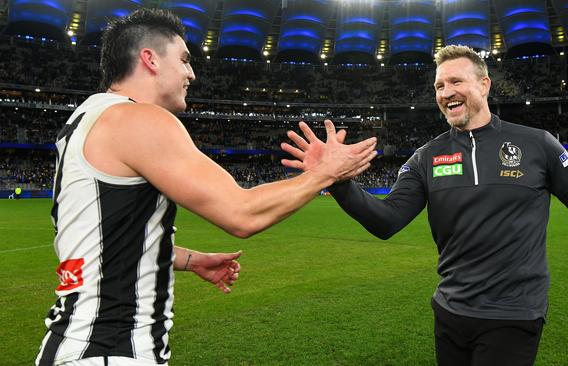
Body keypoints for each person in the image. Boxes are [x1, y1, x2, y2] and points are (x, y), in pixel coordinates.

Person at [36, 8, 377, 366]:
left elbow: (105, 237)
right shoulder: (137, 119)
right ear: (150, 59)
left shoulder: (85, 119)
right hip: (111, 350)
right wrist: (325, 173)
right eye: (184, 60)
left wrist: (189, 259)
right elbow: (242, 214)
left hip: (75, 344)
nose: (191, 73)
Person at [281, 45, 568, 366]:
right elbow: (386, 221)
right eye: (438, 86)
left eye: (455, 81)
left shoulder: (538, 145)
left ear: (484, 85)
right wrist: (337, 180)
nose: (446, 92)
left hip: (513, 314)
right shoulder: (426, 158)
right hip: (449, 312)